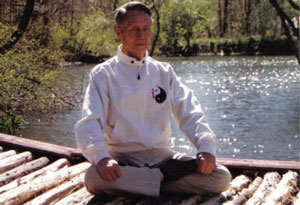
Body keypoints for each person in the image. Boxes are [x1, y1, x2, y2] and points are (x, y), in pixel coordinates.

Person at [75, 1, 231, 198]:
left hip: (164, 159)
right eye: (134, 29)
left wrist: (205, 147)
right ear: (119, 32)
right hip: (123, 161)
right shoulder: (103, 74)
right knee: (93, 178)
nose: (141, 35)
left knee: (221, 177)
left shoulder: (163, 72)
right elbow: (89, 121)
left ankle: (145, 182)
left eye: (146, 29)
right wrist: (102, 158)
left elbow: (190, 113)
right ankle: (159, 181)